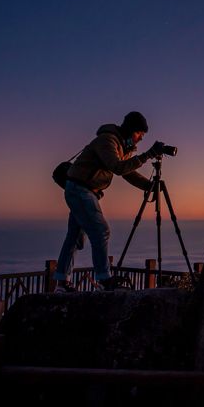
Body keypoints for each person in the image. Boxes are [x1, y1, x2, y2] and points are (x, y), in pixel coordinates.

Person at [53, 111, 168, 292]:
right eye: (139, 133)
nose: (140, 138)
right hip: (80, 189)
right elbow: (117, 167)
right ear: (130, 129)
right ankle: (104, 280)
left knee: (74, 237)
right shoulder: (108, 140)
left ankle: (62, 282)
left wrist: (148, 186)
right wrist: (148, 155)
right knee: (101, 231)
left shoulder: (121, 146)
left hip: (82, 190)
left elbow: (127, 172)